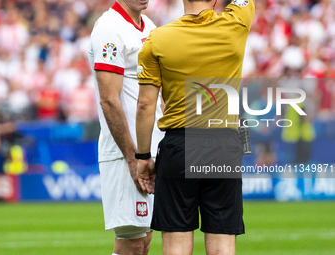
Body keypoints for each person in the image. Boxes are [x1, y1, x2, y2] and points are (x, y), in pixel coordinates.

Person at [136, 0, 255, 254]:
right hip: (223, 143)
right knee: (223, 242)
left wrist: (143, 156)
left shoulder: (157, 39)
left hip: (180, 143)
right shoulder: (235, 23)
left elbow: (145, 106)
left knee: (176, 243)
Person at [87, 0, 163, 255]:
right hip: (125, 152)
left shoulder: (149, 26)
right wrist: (133, 157)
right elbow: (109, 99)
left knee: (144, 240)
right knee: (131, 242)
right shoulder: (109, 28)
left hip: (148, 149)